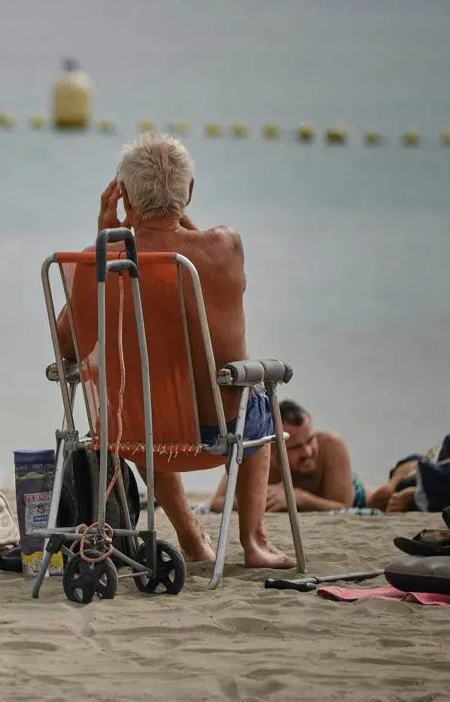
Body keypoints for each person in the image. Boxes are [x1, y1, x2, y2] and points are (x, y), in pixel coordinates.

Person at [54, 133, 295, 568]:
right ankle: (254, 541)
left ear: (123, 196)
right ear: (189, 194)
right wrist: (174, 216)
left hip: (135, 435)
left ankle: (191, 540)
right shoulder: (223, 247)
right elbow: (191, 245)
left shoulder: (97, 263)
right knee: (253, 396)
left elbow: (65, 344)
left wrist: (106, 239)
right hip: (219, 433)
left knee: (150, 390)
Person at [209, 399, 382, 513]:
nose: (307, 452)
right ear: (272, 450)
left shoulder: (332, 446)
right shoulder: (257, 453)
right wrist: (258, 500)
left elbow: (344, 507)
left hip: (354, 491)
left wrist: (297, 497)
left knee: (385, 495)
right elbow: (217, 502)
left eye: (310, 440)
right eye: (296, 447)